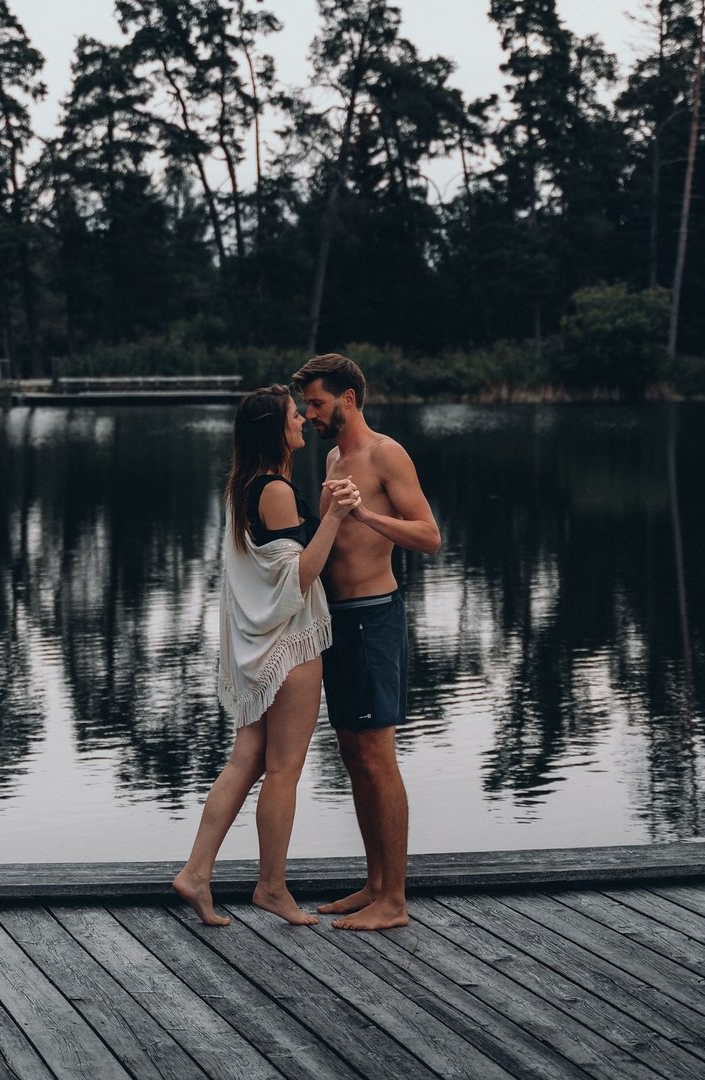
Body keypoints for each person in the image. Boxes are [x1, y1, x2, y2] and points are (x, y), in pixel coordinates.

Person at [174, 385, 362, 926]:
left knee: (247, 760)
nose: (303, 419)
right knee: (284, 769)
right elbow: (296, 581)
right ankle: (272, 888)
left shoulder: (244, 486)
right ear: (273, 428)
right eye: (292, 415)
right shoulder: (274, 491)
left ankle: (196, 873)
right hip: (289, 644)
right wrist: (336, 516)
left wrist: (323, 509)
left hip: (262, 645)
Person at [292, 353, 440, 931]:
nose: (309, 414)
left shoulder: (385, 454)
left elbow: (429, 536)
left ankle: (395, 902)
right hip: (337, 619)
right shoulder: (333, 456)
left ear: (348, 398)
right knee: (353, 756)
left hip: (376, 618)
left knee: (379, 757)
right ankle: (375, 883)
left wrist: (367, 517)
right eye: (306, 406)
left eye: (318, 403)